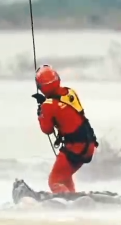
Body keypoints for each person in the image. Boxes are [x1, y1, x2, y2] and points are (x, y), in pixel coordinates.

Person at [32, 64, 98, 193]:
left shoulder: (48, 106)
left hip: (75, 147)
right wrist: (46, 103)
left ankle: (66, 202)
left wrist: (41, 113)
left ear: (41, 87)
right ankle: (72, 197)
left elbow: (47, 130)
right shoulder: (70, 92)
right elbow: (65, 111)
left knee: (54, 181)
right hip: (89, 143)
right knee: (64, 177)